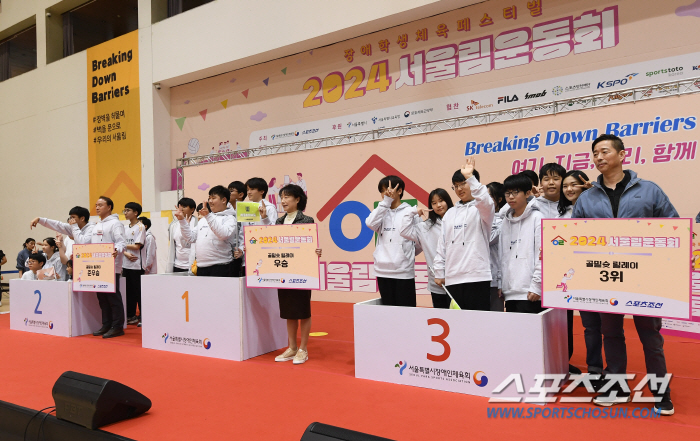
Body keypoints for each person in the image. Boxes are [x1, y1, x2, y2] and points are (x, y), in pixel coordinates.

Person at [573, 134, 676, 415]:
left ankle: (661, 392)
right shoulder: (587, 198)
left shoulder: (650, 190)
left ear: (622, 155)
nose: (598, 157)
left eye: (604, 151)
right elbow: (574, 237)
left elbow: (672, 227)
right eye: (595, 153)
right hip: (605, 277)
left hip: (644, 278)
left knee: (650, 337)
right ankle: (617, 387)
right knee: (612, 334)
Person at [262, 184, 322, 365]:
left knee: (303, 311)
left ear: (298, 199)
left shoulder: (307, 219)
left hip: (302, 272)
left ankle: (303, 349)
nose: (284, 200)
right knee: (289, 311)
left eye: (288, 197)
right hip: (283, 270)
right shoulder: (279, 222)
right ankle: (292, 347)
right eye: (282, 197)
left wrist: (315, 251)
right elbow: (271, 240)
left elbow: (310, 244)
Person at [433, 158, 494, 311]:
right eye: (456, 186)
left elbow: (486, 202)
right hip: (453, 278)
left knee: (478, 323)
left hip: (477, 276)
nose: (459, 189)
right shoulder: (450, 214)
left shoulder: (482, 209)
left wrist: (470, 178)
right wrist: (440, 271)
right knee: (457, 326)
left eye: (463, 183)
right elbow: (442, 245)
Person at [557, 170, 593, 376]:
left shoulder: (595, 206)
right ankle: (563, 361)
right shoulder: (560, 211)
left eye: (574, 185)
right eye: (566, 186)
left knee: (592, 325)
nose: (569, 189)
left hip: (590, 271)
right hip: (566, 273)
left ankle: (595, 368)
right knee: (565, 322)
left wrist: (594, 193)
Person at [365, 175, 419, 307]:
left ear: (399, 190)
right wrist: (386, 202)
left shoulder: (411, 211)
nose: (385, 193)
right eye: (382, 191)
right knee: (389, 313)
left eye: (388, 189)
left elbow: (419, 241)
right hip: (382, 270)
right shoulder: (381, 211)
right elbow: (370, 224)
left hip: (403, 271)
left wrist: (407, 254)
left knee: (407, 313)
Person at [399, 188, 454, 308]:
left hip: (458, 281)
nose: (438, 205)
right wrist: (413, 212)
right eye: (434, 203)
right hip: (438, 284)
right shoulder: (425, 227)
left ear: (448, 201)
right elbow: (404, 231)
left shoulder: (458, 222)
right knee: (442, 319)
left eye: (441, 201)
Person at [497, 173, 543, 314]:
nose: (511, 197)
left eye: (515, 192)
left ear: (528, 193)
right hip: (510, 293)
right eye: (508, 193)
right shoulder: (505, 222)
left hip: (531, 293)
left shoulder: (537, 218)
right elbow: (501, 255)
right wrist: (501, 284)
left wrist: (537, 286)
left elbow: (542, 255)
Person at [176, 186, 238, 277]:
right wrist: (182, 220)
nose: (210, 201)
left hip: (221, 265)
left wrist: (208, 216)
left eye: (213, 198)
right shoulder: (204, 220)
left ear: (224, 200)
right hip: (201, 266)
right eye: (209, 198)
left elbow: (223, 234)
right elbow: (190, 238)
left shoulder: (230, 218)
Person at [91, 196, 127, 339]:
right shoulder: (97, 224)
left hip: (111, 265)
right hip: (97, 265)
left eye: (100, 205)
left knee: (113, 297)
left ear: (109, 207)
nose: (97, 207)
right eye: (96, 205)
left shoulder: (115, 224)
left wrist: (117, 249)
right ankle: (106, 324)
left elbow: (121, 242)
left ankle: (117, 326)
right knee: (102, 297)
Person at [241, 178, 278, 275]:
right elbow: (242, 233)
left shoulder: (270, 208)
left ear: (262, 191)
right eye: (248, 189)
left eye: (252, 189)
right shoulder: (246, 208)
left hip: (264, 257)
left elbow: (273, 232)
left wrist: (264, 217)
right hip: (247, 257)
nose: (248, 192)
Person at [29, 206, 95, 257]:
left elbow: (83, 243)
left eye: (73, 217)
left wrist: (74, 227)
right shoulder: (74, 227)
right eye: (70, 217)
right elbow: (58, 225)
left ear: (82, 218)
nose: (70, 219)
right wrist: (40, 219)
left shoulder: (92, 228)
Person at [122, 202, 146, 326]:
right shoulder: (125, 228)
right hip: (126, 264)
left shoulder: (141, 227)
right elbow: (120, 245)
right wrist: (125, 252)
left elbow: (137, 246)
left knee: (139, 292)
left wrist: (123, 246)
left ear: (135, 213)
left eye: (128, 210)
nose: (125, 213)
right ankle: (131, 315)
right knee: (128, 292)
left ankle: (144, 316)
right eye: (124, 210)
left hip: (137, 265)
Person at [487, 182, 506, 312]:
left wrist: (500, 282)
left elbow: (487, 239)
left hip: (495, 280)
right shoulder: (481, 217)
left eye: (489, 197)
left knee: (495, 321)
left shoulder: (504, 219)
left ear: (499, 199)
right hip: (479, 278)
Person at [167, 197, 197, 273]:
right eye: (180, 207)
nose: (181, 209)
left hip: (193, 265)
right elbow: (173, 244)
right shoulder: (173, 225)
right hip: (177, 265)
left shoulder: (198, 223)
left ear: (192, 209)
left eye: (184, 206)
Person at [228, 181, 247, 276]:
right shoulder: (227, 211)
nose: (228, 193)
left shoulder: (247, 210)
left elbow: (245, 234)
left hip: (241, 254)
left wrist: (241, 250)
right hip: (228, 254)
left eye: (231, 191)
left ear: (241, 194)